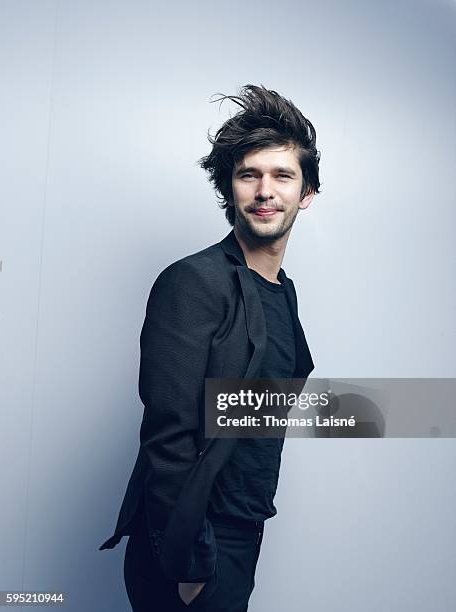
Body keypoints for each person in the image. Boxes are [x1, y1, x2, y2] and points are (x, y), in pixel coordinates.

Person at [99, 84, 321, 611]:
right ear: (231, 189)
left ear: (306, 193)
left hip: (244, 531)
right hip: (191, 544)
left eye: (283, 175)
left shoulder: (281, 292)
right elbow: (169, 432)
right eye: (250, 175)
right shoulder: (193, 282)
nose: (265, 190)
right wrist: (191, 565)